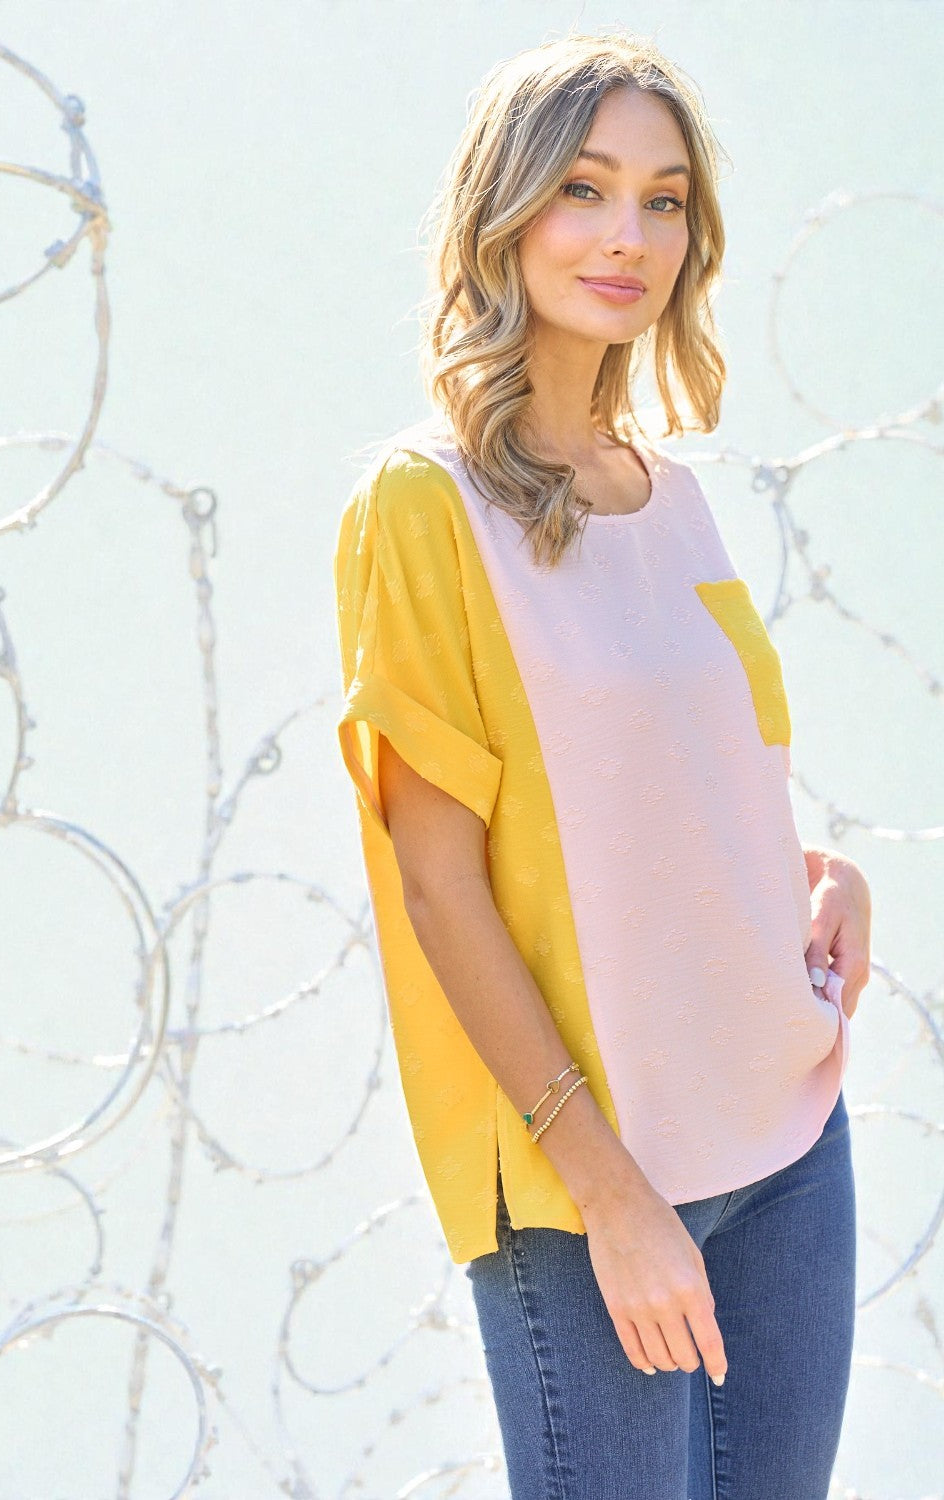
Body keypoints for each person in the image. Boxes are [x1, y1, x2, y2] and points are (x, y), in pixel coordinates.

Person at [333, 28, 872, 1500]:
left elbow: (681, 798)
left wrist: (829, 875)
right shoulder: (421, 507)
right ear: (506, 210)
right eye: (584, 188)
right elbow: (440, 886)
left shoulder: (676, 500)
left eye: (665, 198)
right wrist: (619, 1201)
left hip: (784, 1145)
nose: (627, 236)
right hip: (587, 1192)